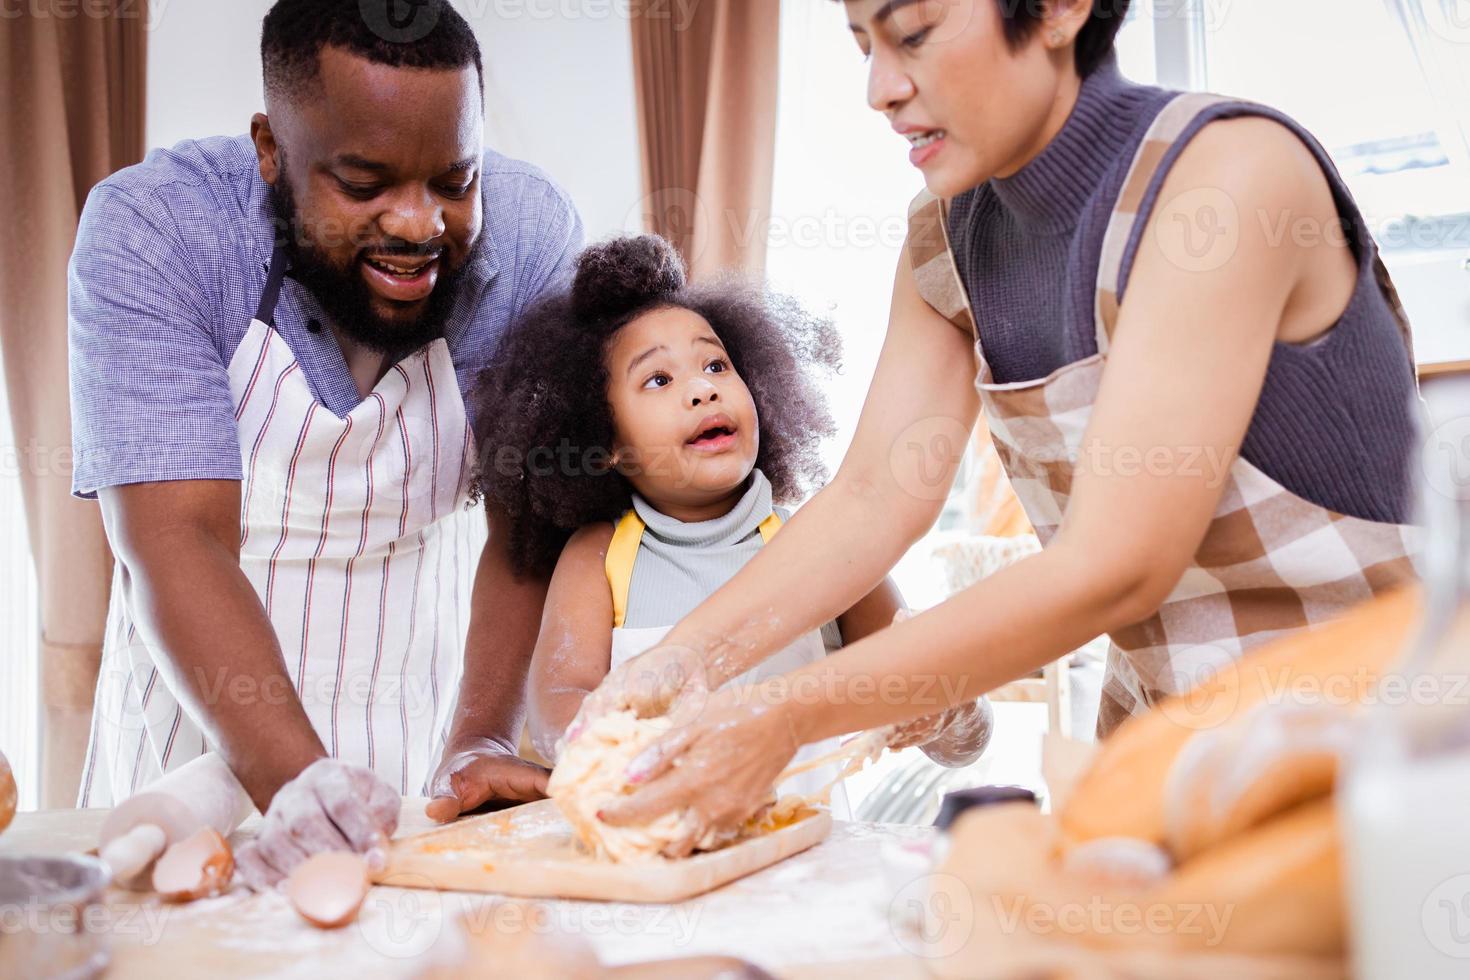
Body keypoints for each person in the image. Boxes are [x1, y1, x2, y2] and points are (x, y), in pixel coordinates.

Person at [573, 0, 1420, 848]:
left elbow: (1114, 567)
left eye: (912, 35)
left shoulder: (1227, 179)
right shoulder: (946, 236)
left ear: (1058, 9)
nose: (879, 87)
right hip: (1166, 748)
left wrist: (782, 716)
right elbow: (873, 495)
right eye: (863, 46)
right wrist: (676, 664)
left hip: (1389, 747)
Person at [68, 0, 579, 886]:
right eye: (365, 183)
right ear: (271, 149)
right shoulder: (160, 231)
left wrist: (484, 735)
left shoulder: (531, 239)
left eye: (454, 181)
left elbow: (527, 520)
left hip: (426, 714)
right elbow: (175, 537)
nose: (420, 225)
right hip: (196, 736)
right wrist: (300, 787)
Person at [471, 234, 992, 832]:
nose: (703, 388)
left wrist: (947, 714)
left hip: (804, 868)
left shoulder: (825, 547)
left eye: (716, 364)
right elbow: (559, 705)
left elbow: (953, 730)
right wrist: (617, 758)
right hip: (655, 858)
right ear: (604, 441)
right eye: (658, 381)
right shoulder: (598, 558)